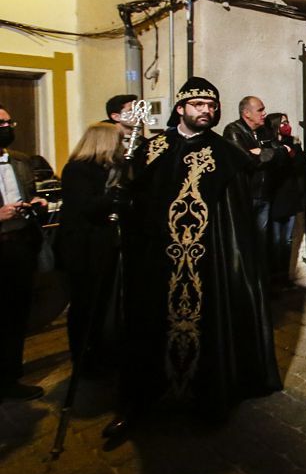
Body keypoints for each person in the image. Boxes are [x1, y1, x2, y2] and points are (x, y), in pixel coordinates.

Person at [110, 78, 281, 438]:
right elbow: (135, 200)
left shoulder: (227, 154)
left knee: (210, 329)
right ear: (181, 108)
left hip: (208, 265)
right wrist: (122, 201)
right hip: (156, 263)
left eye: (212, 104)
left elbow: (237, 224)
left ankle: (209, 396)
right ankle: (139, 401)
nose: (207, 110)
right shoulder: (152, 148)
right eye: (199, 104)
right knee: (147, 328)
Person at [55, 123, 125, 372]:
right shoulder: (78, 170)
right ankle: (83, 357)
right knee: (85, 303)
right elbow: (86, 206)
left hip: (100, 245)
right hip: (83, 249)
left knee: (102, 302)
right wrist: (116, 195)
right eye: (118, 141)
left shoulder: (106, 169)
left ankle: (101, 351)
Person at [0, 105, 48, 401]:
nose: (7, 127)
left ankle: (10, 378)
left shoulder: (20, 160)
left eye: (9, 121)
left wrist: (35, 203)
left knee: (16, 315)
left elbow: (27, 194)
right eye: (1, 122)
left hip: (19, 245)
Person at [223, 96, 287, 258]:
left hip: (264, 194)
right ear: (246, 113)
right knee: (244, 241)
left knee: (261, 241)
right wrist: (266, 154)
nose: (264, 113)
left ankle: (260, 280)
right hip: (245, 195)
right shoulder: (233, 130)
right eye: (260, 110)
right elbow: (246, 162)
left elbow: (282, 154)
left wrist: (261, 153)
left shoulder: (264, 131)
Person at [266, 113, 306, 286]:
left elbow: (301, 165)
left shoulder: (293, 143)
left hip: (290, 199)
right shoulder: (270, 145)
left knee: (287, 241)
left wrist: (292, 152)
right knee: (274, 242)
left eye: (288, 121)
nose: (287, 125)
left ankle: (284, 277)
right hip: (275, 200)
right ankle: (273, 278)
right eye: (283, 122)